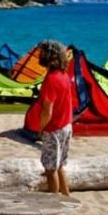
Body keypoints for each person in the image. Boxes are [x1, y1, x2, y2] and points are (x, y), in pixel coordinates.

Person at [36, 40, 73, 196]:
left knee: (50, 169)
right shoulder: (64, 75)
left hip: (54, 128)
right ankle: (66, 195)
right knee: (59, 166)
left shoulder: (51, 79)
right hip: (66, 125)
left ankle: (54, 199)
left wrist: (41, 128)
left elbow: (47, 111)